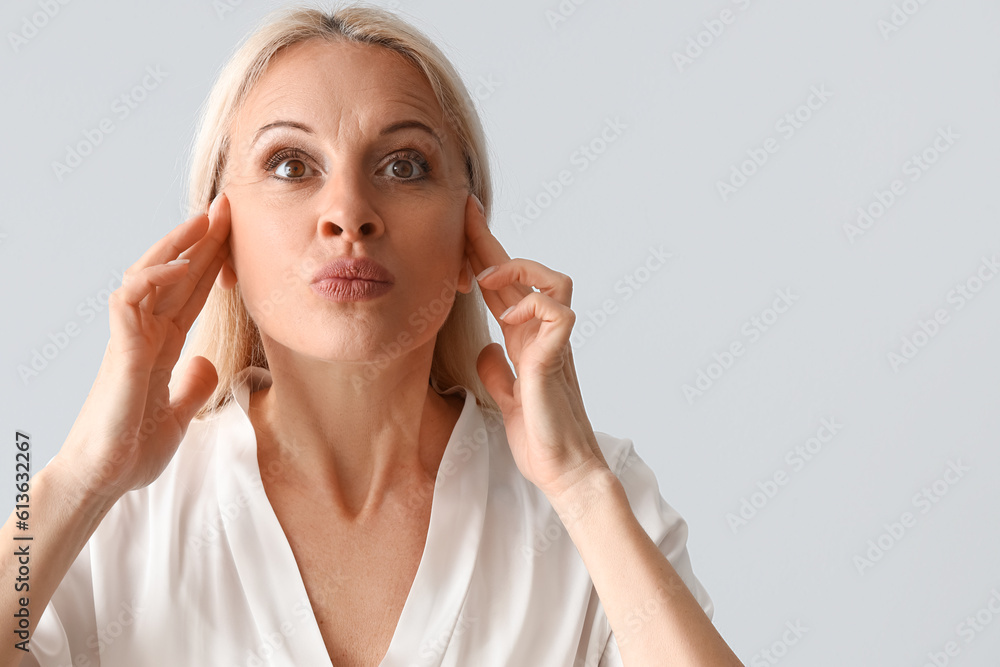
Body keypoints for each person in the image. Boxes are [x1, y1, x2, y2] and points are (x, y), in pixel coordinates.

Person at [1, 4, 744, 666]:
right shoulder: (118, 516)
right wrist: (79, 481)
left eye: (403, 165)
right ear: (218, 240)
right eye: (292, 164)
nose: (349, 212)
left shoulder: (591, 500)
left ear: (469, 236)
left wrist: (579, 485)